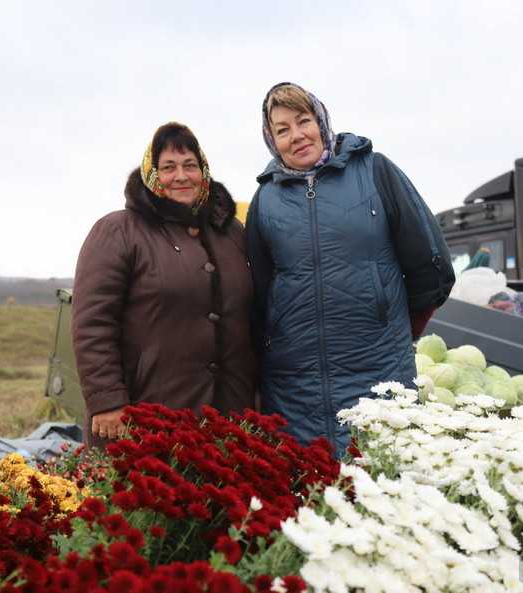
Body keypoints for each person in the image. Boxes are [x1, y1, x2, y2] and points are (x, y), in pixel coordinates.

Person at [246, 83, 455, 455]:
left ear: (321, 121)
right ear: (270, 140)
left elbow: (430, 263)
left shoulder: (375, 172)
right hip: (296, 389)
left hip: (378, 372)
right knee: (306, 497)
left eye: (303, 121)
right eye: (282, 130)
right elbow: (260, 292)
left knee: (382, 486)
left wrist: (399, 328)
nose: (297, 136)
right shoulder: (266, 199)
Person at [72, 122, 256, 449]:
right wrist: (107, 400)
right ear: (152, 173)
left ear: (204, 171)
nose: (181, 176)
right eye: (168, 167)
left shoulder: (231, 233)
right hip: (145, 416)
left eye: (190, 165)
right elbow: (93, 323)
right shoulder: (120, 231)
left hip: (228, 417)